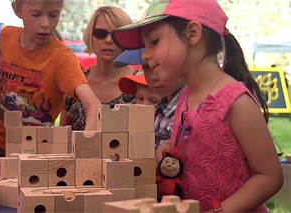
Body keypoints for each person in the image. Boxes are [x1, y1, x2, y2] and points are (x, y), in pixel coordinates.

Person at [111, 0, 283, 212]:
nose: (145, 55)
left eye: (154, 41)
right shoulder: (184, 98)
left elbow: (270, 176)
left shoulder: (236, 102)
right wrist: (170, 153)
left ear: (192, 34)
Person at [0, 0, 99, 157]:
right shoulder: (6, 36)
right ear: (17, 10)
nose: (45, 23)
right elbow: (1, 76)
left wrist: (84, 149)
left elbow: (94, 105)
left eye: (53, 15)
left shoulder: (62, 58)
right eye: (36, 14)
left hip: (34, 155)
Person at [60, 6, 135, 131]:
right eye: (101, 33)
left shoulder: (140, 83)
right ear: (91, 35)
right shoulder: (77, 82)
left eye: (116, 35)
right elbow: (62, 137)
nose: (108, 40)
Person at [113, 48, 186, 150]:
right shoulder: (161, 109)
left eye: (160, 65)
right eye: (146, 67)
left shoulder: (190, 111)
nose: (153, 77)